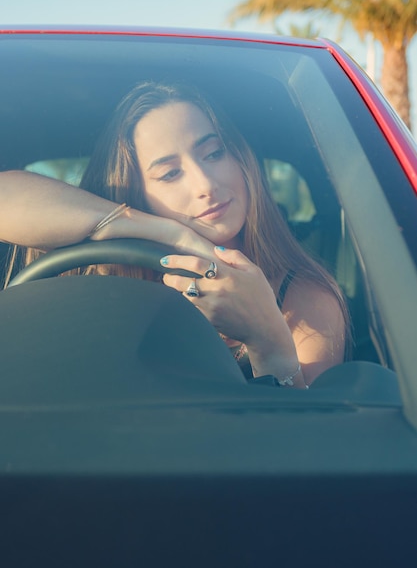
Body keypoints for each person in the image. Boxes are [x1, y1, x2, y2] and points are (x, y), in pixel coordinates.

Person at [0, 81, 348, 388]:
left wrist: (269, 340)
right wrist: (169, 233)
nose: (205, 185)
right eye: (169, 174)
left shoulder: (304, 297)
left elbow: (307, 444)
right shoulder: (106, 279)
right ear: (136, 194)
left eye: (213, 153)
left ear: (241, 157)